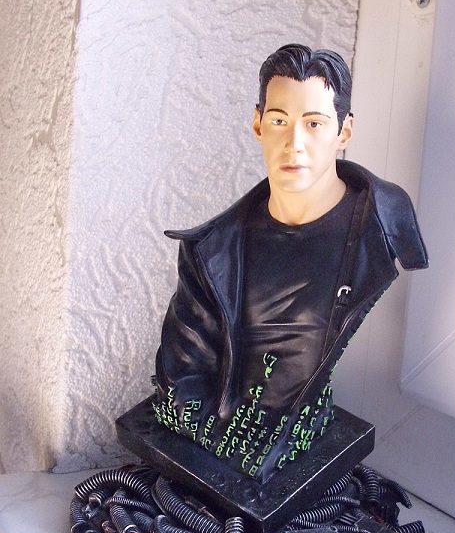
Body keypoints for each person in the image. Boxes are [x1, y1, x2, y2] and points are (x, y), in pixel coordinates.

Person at [152, 44, 428, 483]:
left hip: (302, 433)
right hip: (233, 443)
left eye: (314, 124)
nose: (294, 144)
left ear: (344, 131)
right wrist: (229, 445)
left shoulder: (382, 225)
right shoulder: (212, 251)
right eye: (279, 121)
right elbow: (181, 380)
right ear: (258, 124)